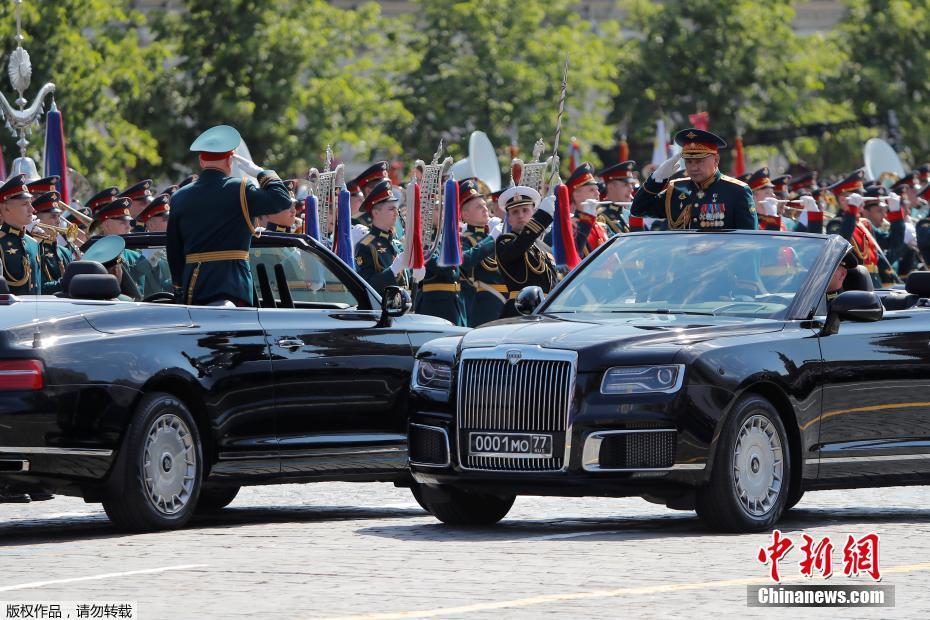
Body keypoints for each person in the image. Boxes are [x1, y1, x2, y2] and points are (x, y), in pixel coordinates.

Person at [167, 124, 292, 306]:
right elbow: (282, 199)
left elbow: (174, 251)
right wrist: (260, 172)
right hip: (233, 286)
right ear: (229, 161)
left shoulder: (179, 197)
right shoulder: (240, 189)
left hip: (194, 287)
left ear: (201, 161)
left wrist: (180, 288)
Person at [631, 128, 757, 230]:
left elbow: (748, 242)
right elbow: (638, 209)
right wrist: (656, 179)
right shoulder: (676, 190)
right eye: (689, 161)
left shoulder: (737, 191)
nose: (693, 167)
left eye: (699, 161)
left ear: (716, 160)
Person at [496, 185, 557, 318]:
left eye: (525, 210)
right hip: (520, 310)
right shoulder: (504, 242)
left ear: (533, 213)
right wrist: (543, 217)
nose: (521, 215)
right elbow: (520, 244)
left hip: (545, 310)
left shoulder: (542, 247)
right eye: (515, 212)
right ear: (509, 219)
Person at [829, 170, 897, 288]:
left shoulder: (865, 224)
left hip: (874, 285)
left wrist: (897, 216)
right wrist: (851, 211)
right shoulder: (835, 224)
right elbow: (840, 245)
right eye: (857, 196)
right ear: (842, 199)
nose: (862, 200)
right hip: (855, 289)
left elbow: (891, 243)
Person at [459, 179, 506, 326]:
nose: (485, 209)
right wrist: (491, 238)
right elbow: (465, 261)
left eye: (485, 205)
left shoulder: (495, 236)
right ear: (465, 215)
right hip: (483, 308)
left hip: (506, 305)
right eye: (479, 207)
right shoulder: (463, 239)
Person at [353, 179, 408, 295]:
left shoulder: (394, 243)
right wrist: (392, 271)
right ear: (376, 213)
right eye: (391, 209)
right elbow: (367, 286)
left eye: (396, 209)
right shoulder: (366, 246)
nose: (396, 213)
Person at [0, 174, 40, 294]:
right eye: (24, 204)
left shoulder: (33, 243)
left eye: (30, 203)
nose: (32, 209)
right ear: (5, 208)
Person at [32, 191, 72, 294]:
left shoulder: (65, 252)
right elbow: (39, 288)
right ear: (37, 219)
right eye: (53, 216)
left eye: (59, 216)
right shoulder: (33, 249)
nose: (58, 221)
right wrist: (69, 282)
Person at [596, 160, 635, 235]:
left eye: (631, 185)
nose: (631, 189)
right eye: (626, 185)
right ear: (611, 187)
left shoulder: (628, 213)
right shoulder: (601, 217)